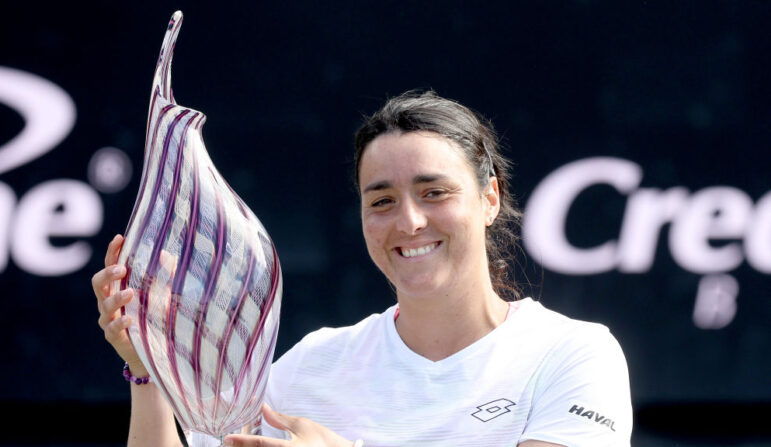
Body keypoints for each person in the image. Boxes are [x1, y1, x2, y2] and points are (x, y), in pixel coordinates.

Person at [93, 90, 632, 447]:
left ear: (490, 198)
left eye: (435, 192)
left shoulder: (574, 354)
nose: (410, 221)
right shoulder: (312, 366)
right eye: (382, 201)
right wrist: (150, 368)